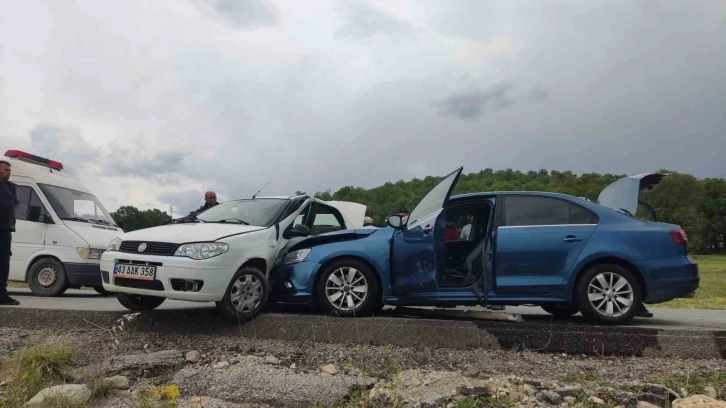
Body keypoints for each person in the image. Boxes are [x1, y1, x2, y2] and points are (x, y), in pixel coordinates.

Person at [0, 160, 20, 305]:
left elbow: (14, 206)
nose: (9, 172)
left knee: (3, 263)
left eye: (10, 170)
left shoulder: (8, 187)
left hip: (5, 231)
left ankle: (2, 294)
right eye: (6, 169)